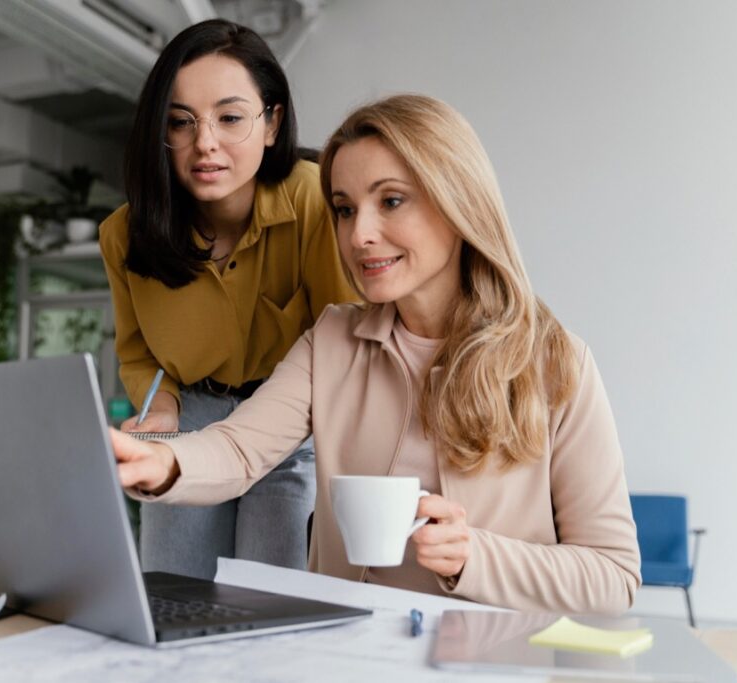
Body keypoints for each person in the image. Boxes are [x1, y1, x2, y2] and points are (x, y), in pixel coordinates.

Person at [110, 94, 642, 614]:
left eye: (391, 201)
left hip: (489, 664)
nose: (358, 234)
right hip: (350, 660)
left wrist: (473, 557)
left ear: (459, 203)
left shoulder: (555, 363)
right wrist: (162, 461)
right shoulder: (332, 341)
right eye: (344, 209)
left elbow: (614, 577)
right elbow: (239, 449)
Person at [98, 20, 357, 581]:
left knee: (271, 596)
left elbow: (344, 337)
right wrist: (161, 408)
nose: (205, 143)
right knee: (173, 591)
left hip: (289, 427)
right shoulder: (123, 236)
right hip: (188, 423)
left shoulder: (314, 199)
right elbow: (138, 352)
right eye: (180, 122)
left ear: (272, 124)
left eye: (231, 118)